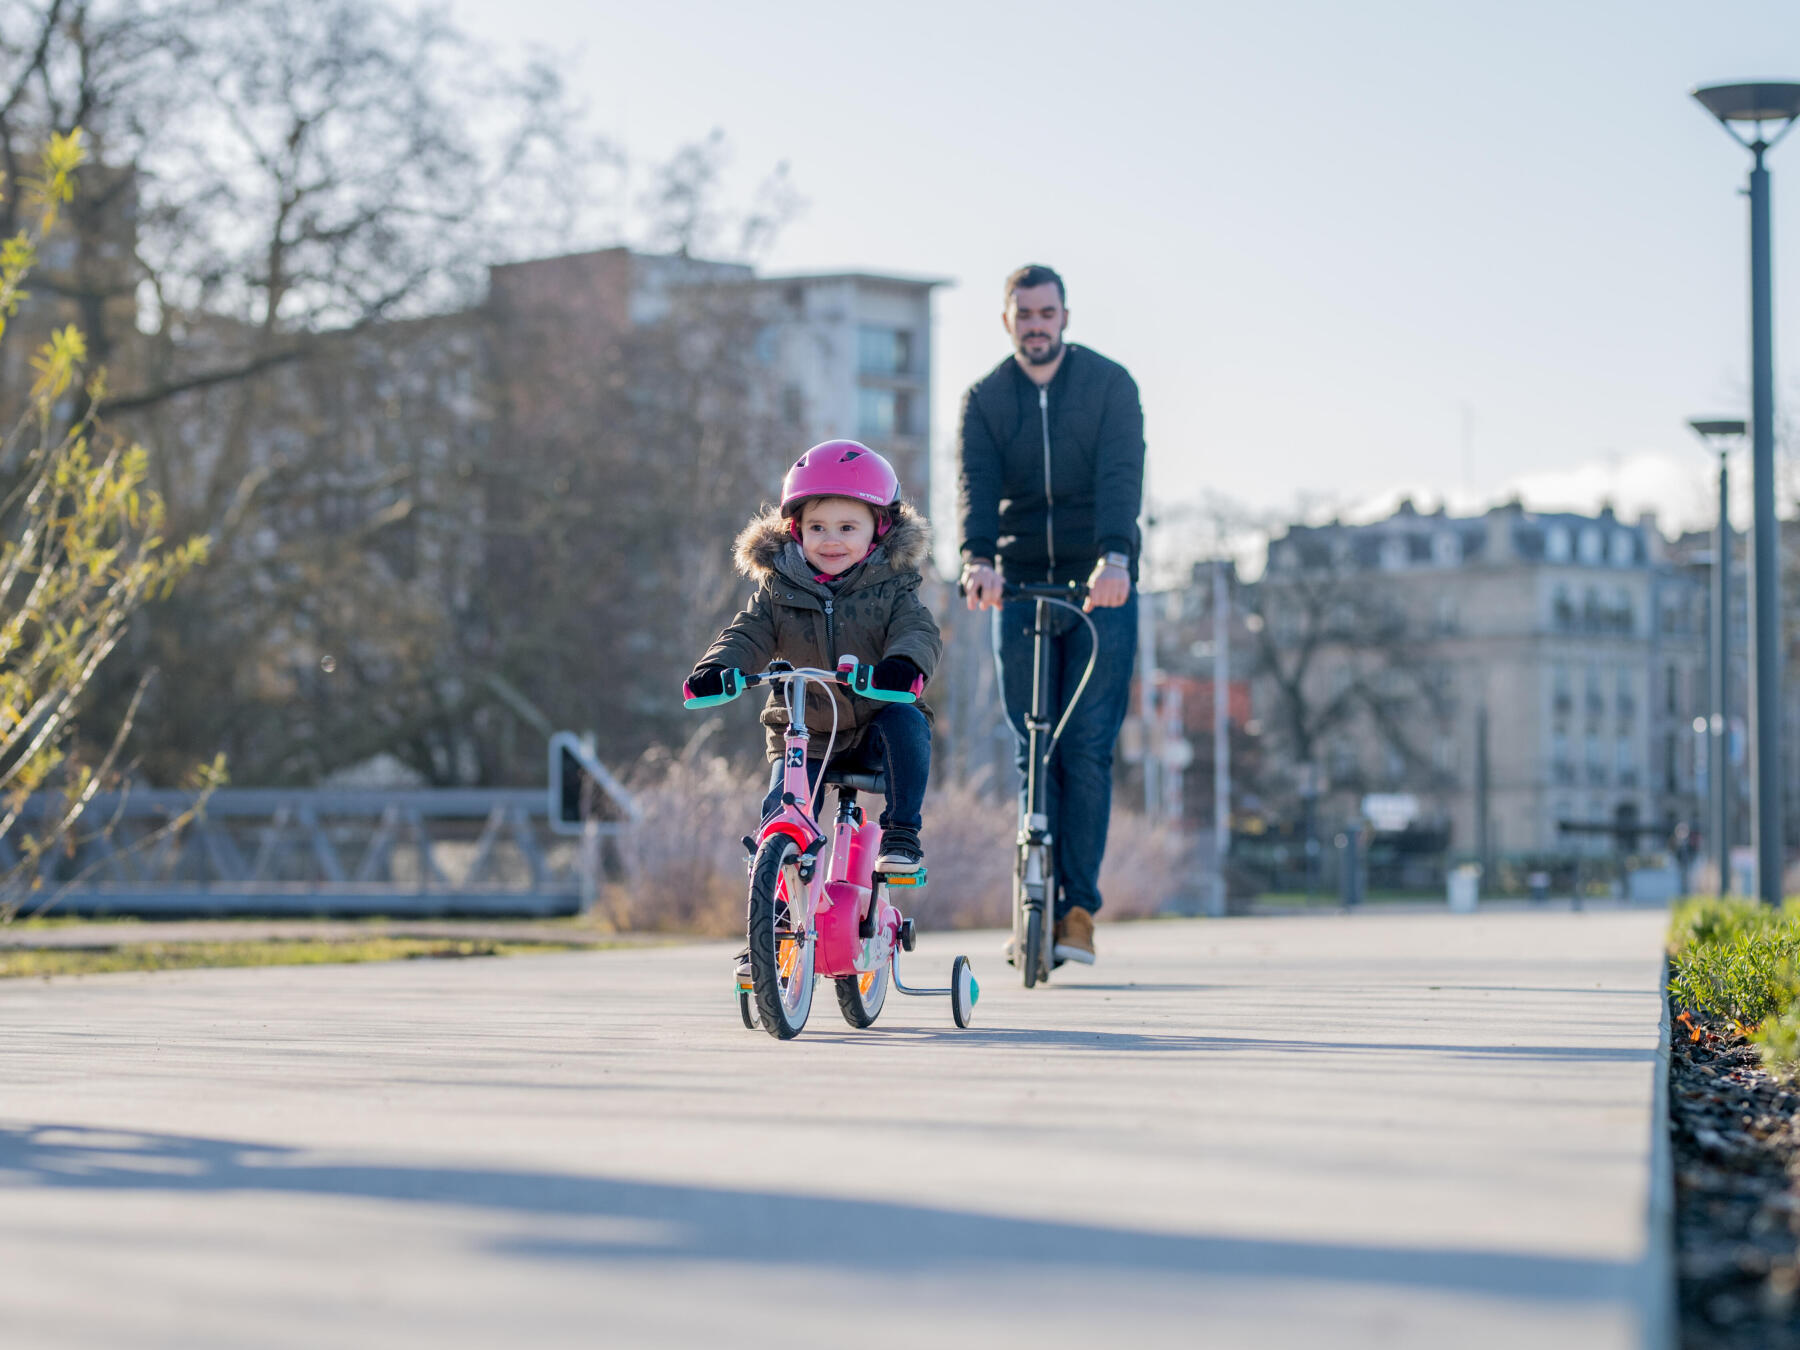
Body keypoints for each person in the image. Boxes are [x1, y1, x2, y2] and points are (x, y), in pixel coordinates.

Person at [957, 263, 1145, 966]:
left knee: (1085, 748)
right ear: (1007, 321)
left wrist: (1117, 559)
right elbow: (975, 486)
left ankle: (1075, 912)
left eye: (1047, 312)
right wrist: (977, 559)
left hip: (1101, 586)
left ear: (1065, 316)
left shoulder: (1109, 387)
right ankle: (1026, 903)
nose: (1036, 324)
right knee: (1030, 743)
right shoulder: (985, 400)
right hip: (1021, 583)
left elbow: (1120, 479)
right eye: (1024, 314)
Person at [689, 440, 942, 879]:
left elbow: (917, 631)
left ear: (878, 530)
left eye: (848, 528)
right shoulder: (779, 589)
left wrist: (900, 668)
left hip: (873, 729)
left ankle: (902, 833)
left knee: (907, 721)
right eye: (818, 527)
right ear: (796, 530)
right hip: (804, 733)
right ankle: (774, 922)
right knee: (780, 824)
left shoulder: (894, 587)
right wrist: (717, 669)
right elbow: (747, 633)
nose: (831, 541)